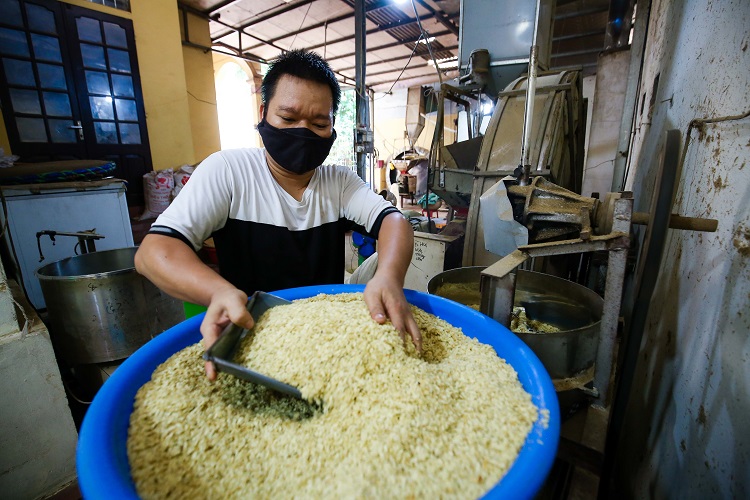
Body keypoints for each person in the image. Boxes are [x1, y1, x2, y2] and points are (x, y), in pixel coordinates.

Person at [135, 49, 421, 380]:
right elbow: (154, 252)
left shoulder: (339, 182)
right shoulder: (229, 171)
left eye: (318, 123)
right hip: (252, 339)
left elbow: (393, 221)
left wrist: (388, 276)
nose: (303, 132)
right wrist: (219, 292)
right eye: (287, 119)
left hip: (325, 337)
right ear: (263, 113)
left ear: (332, 128)